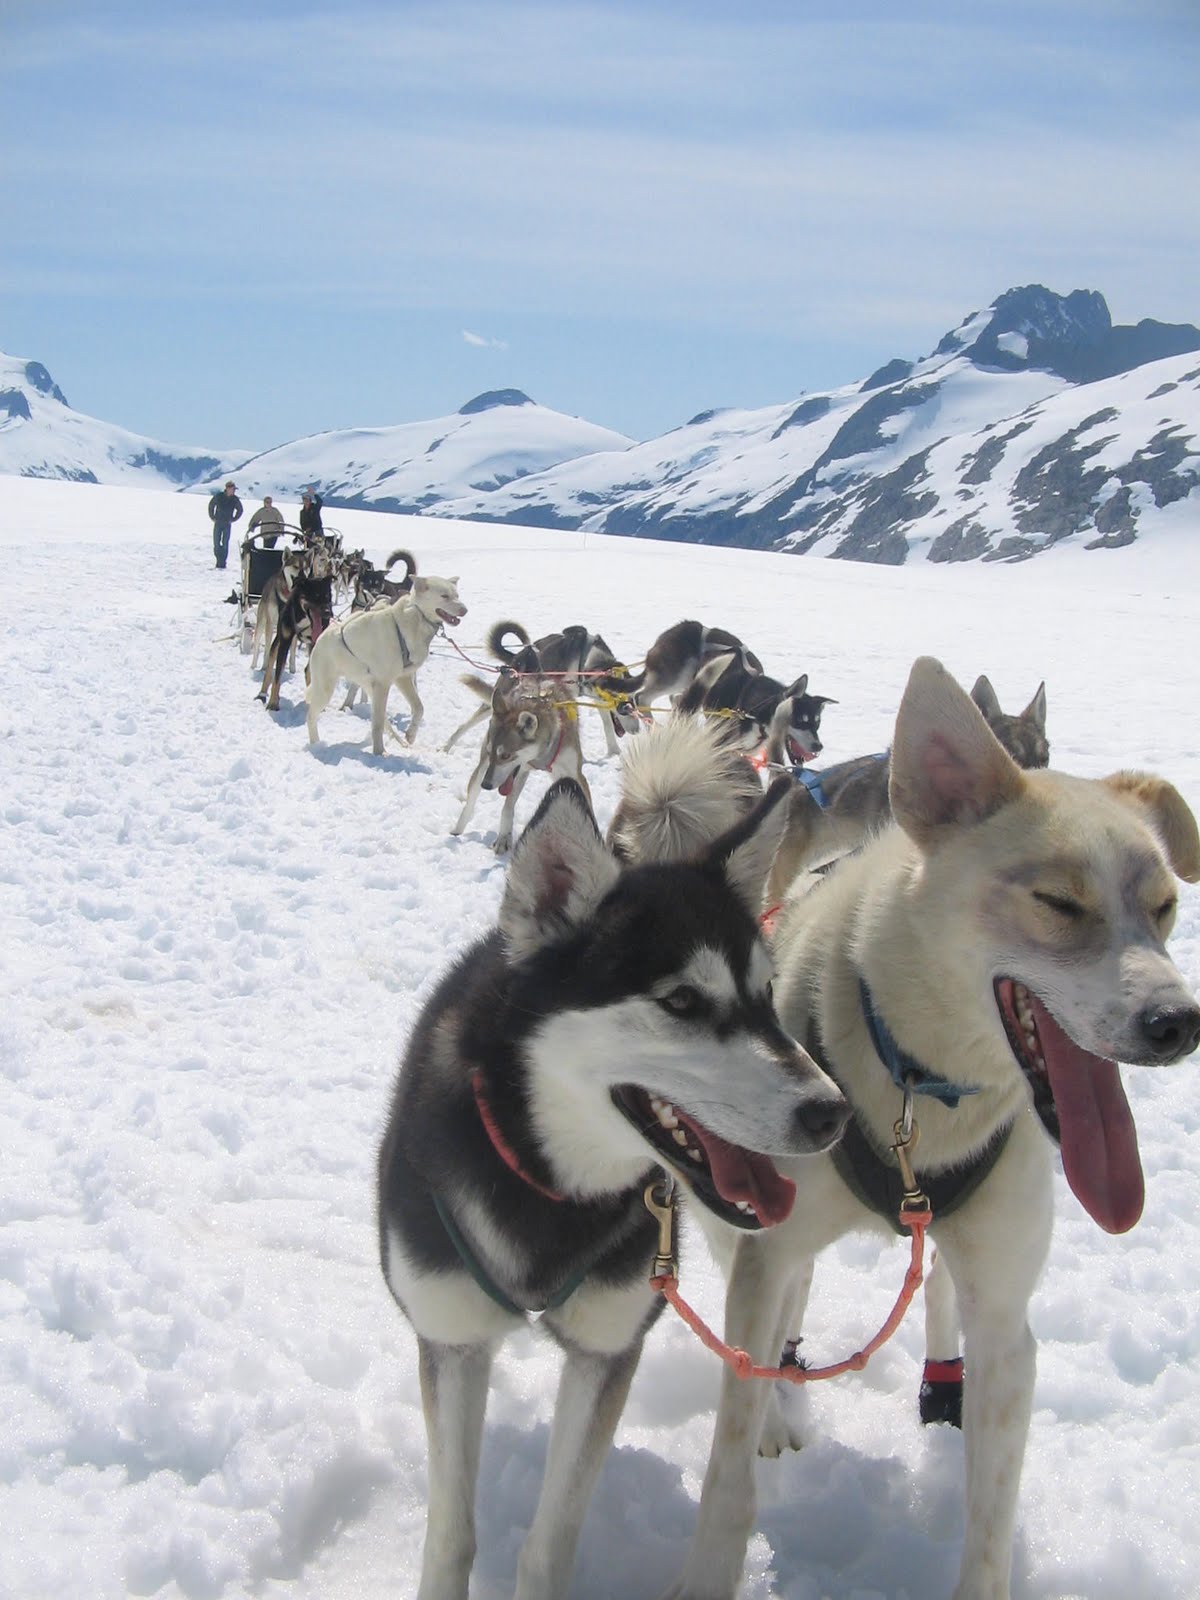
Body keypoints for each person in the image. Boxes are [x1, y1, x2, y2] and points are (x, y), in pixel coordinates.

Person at [207, 480, 243, 569]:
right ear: (227, 489)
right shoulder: (219, 496)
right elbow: (211, 505)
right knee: (216, 543)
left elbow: (240, 510)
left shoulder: (235, 499)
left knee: (225, 543)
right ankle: (218, 560)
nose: (233, 491)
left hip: (227, 523)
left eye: (234, 489)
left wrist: (233, 519)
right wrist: (212, 517)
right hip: (218, 522)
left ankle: (223, 562)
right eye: (232, 489)